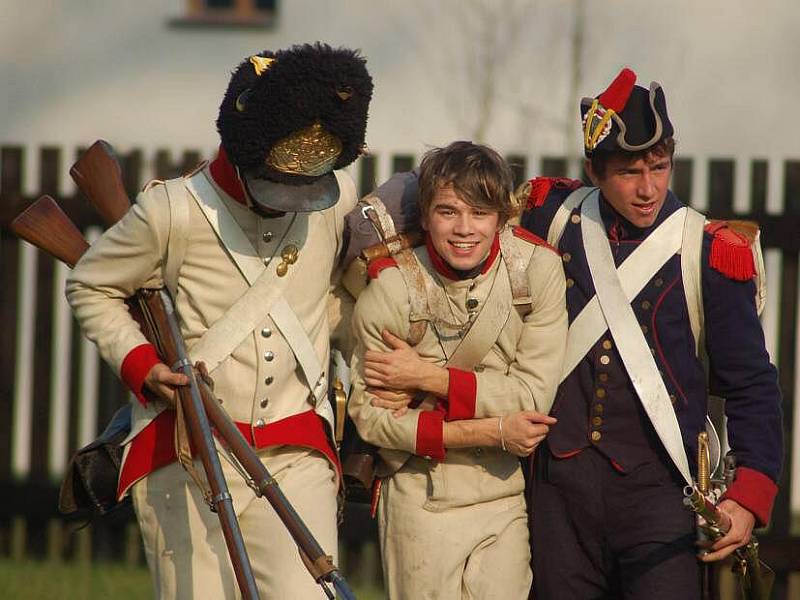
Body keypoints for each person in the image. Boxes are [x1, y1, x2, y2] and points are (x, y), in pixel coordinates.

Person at [66, 43, 372, 599]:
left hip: (297, 448)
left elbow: (338, 297)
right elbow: (90, 283)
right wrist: (143, 365)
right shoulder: (173, 210)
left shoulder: (336, 197)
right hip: (186, 447)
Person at [519, 68, 783, 599]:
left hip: (661, 497)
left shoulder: (709, 250)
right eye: (628, 171)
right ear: (594, 170)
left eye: (659, 166)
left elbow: (751, 382)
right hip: (557, 493)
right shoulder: (547, 215)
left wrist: (747, 497)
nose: (648, 188)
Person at [348, 141, 568, 600]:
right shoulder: (392, 287)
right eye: (448, 212)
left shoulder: (537, 269)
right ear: (426, 217)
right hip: (417, 493)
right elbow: (371, 417)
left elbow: (531, 400)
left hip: (501, 493)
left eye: (480, 213)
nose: (464, 229)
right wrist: (491, 430)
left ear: (502, 218)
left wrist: (426, 378)